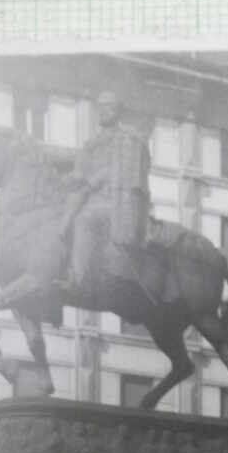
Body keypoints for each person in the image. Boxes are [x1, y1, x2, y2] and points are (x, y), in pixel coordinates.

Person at [59, 90, 150, 298]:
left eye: (107, 107)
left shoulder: (125, 139)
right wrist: (70, 179)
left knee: (84, 220)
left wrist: (90, 183)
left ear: (117, 111)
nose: (102, 111)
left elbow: (117, 169)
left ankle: (79, 278)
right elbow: (80, 169)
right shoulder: (92, 142)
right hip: (89, 195)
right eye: (100, 107)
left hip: (113, 200)